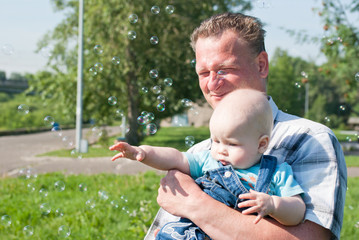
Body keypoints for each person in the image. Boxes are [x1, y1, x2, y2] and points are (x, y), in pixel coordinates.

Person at [143, 12, 347, 240]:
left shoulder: (309, 139)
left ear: (261, 65)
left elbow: (311, 238)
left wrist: (195, 204)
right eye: (203, 72)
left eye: (224, 70)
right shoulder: (197, 154)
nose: (212, 83)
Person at [110, 89, 306, 239]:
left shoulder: (277, 172)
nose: (221, 149)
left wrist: (273, 204)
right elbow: (176, 157)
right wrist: (143, 152)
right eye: (216, 141)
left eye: (232, 143)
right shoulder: (208, 160)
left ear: (261, 144)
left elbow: (298, 210)